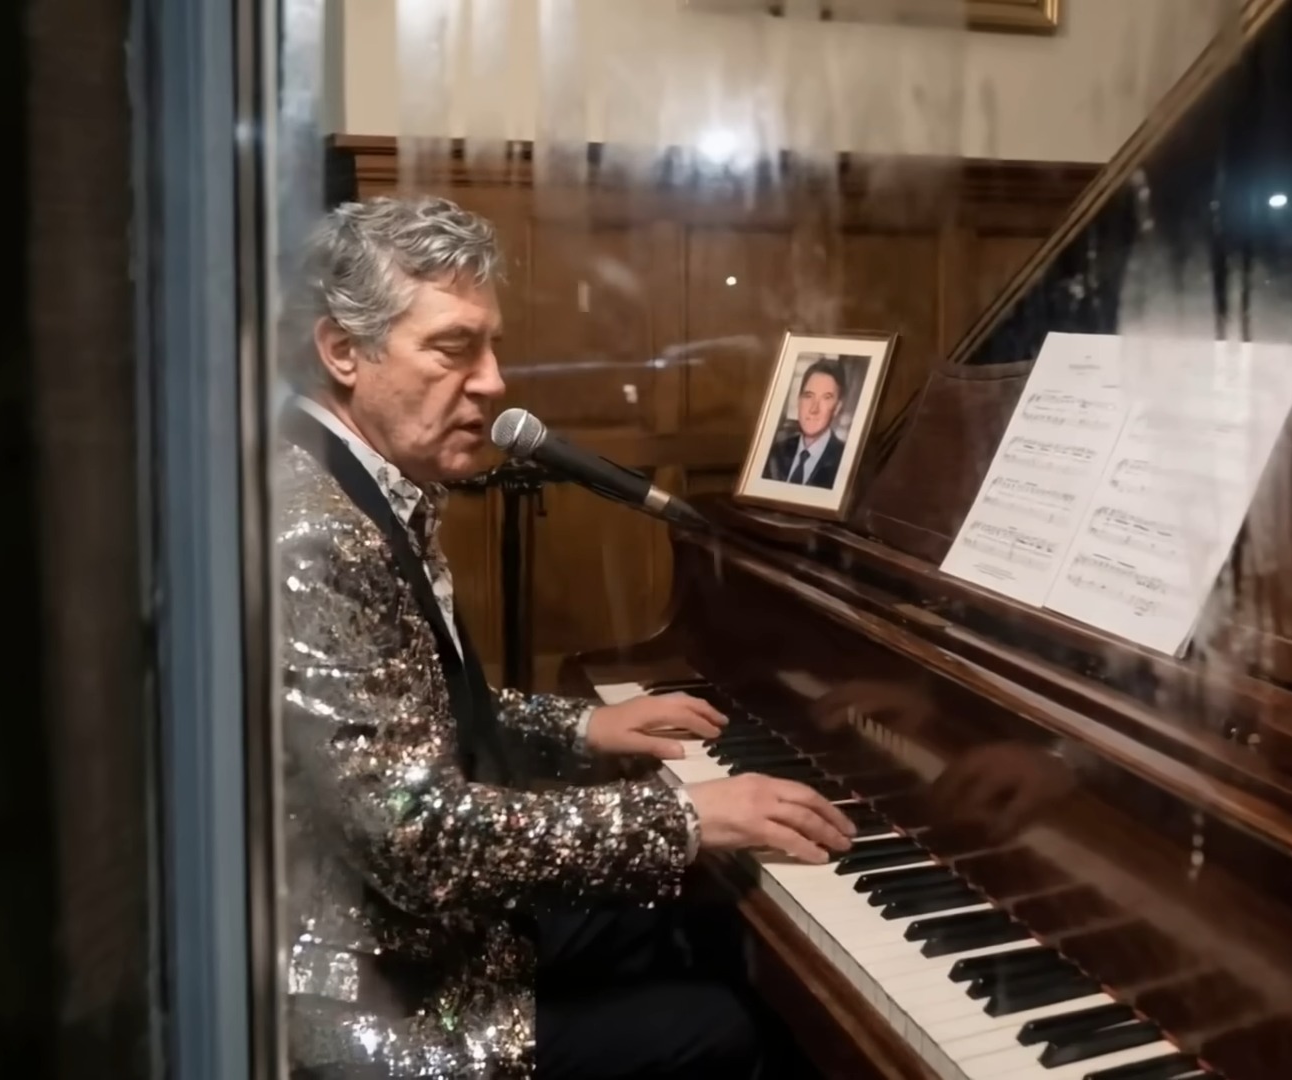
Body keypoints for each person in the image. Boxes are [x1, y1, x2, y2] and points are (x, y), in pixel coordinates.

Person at [275, 194, 857, 1079]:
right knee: (722, 1025)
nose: (494, 381)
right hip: (380, 988)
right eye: (454, 347)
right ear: (342, 350)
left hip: (407, 928)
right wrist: (684, 814)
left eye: (492, 344)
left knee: (690, 916)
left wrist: (580, 727)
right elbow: (417, 834)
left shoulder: (357, 480)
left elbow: (415, 711)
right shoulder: (318, 531)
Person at [761, 359, 849, 489]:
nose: (814, 409)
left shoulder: (846, 461)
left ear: (837, 408)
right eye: (808, 396)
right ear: (799, 400)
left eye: (826, 398)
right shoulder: (775, 452)